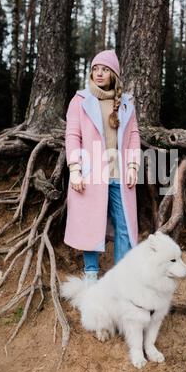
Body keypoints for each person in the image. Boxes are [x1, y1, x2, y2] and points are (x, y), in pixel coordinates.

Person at [64, 49, 141, 283]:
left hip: (118, 174)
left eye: (104, 70)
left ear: (113, 75)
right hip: (91, 174)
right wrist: (75, 169)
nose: (99, 74)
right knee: (91, 223)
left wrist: (132, 166)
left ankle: (122, 278)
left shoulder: (126, 103)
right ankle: (90, 276)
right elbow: (72, 135)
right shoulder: (80, 101)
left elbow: (134, 134)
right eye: (95, 69)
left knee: (125, 226)